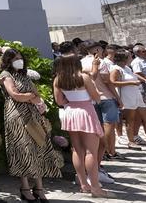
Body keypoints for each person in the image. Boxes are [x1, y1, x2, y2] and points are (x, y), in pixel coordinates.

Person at [0, 48, 60, 202]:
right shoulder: (6, 75)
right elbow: (15, 95)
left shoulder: (23, 75)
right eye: (15, 58)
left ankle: (39, 188)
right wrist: (30, 97)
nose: (19, 60)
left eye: (20, 57)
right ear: (8, 61)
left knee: (38, 148)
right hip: (17, 116)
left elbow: (37, 96)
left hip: (32, 115)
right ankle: (25, 188)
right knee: (23, 150)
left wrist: (31, 97)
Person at [53, 54, 108, 198]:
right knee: (91, 152)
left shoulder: (58, 79)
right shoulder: (83, 77)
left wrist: (71, 101)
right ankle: (95, 187)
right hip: (86, 112)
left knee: (77, 150)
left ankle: (84, 184)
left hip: (70, 112)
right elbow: (96, 97)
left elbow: (59, 101)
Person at [110, 49, 146, 151]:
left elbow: (135, 77)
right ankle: (131, 141)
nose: (131, 58)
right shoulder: (116, 69)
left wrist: (142, 84)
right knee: (130, 120)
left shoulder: (127, 68)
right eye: (129, 56)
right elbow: (113, 82)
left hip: (136, 94)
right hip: (127, 96)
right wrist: (131, 83)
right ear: (124, 58)